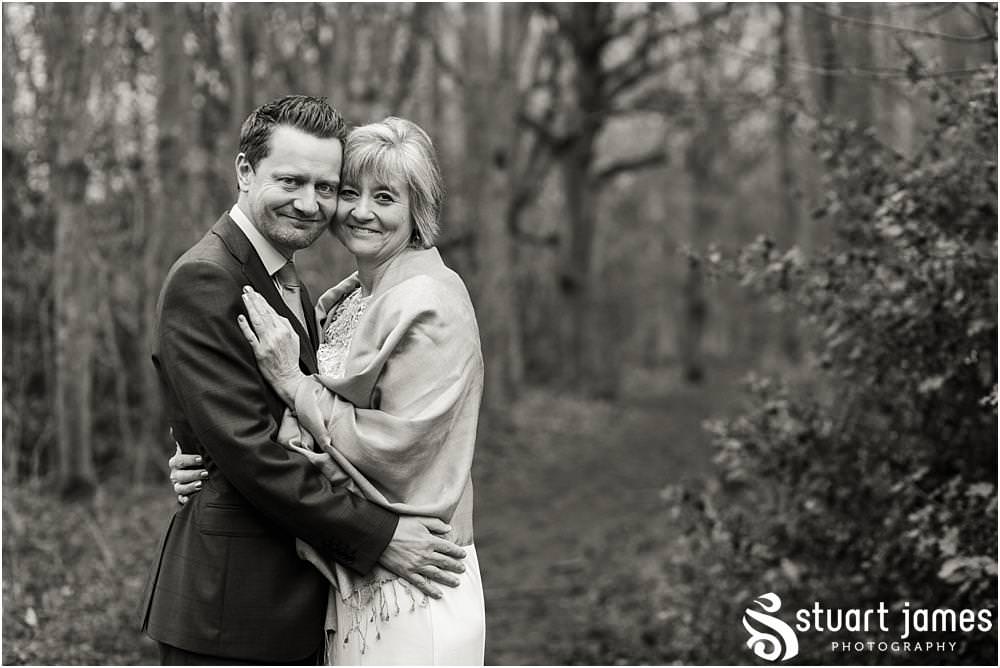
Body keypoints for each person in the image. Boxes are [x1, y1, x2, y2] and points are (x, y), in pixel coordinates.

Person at [141, 96, 468, 665]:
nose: (309, 203)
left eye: (325, 186)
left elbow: (262, 427)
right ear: (245, 171)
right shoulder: (207, 278)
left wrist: (207, 446)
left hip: (296, 595)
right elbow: (252, 452)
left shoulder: (287, 279)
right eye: (290, 181)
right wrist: (379, 537)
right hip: (233, 609)